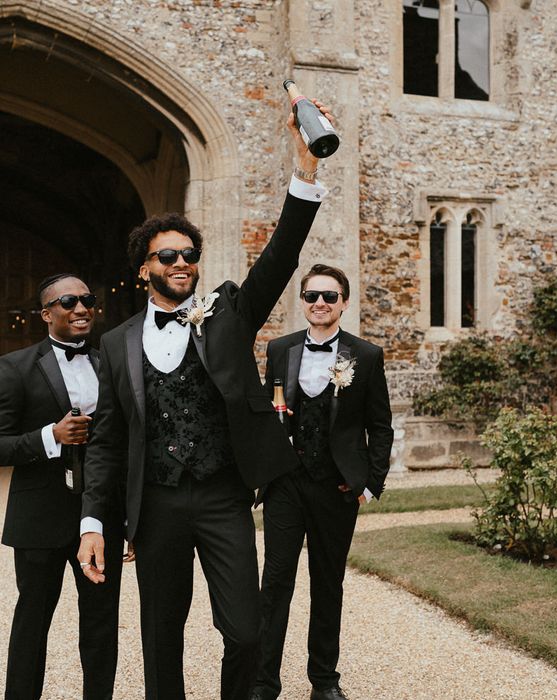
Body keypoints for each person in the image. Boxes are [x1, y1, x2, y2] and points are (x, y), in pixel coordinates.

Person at [77, 102, 330, 700]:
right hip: (156, 504)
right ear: (145, 270)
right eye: (168, 256)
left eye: (189, 255)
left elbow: (281, 257)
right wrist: (93, 521)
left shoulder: (227, 315)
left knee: (245, 632)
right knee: (162, 639)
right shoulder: (114, 346)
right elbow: (108, 440)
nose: (182, 264)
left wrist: (305, 166)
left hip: (222, 496)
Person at [251, 264, 394, 700]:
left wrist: (369, 482)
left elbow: (380, 425)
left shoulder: (365, 356)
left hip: (336, 487)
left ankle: (324, 682)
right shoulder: (280, 349)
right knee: (275, 584)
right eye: (312, 295)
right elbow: (266, 411)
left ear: (344, 303)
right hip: (286, 485)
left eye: (329, 297)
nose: (320, 303)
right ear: (303, 301)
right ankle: (263, 683)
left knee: (328, 583)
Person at [0, 274, 125, 700]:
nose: (80, 308)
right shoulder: (15, 367)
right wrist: (50, 436)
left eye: (87, 300)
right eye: (68, 301)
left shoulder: (111, 362)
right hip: (39, 516)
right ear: (46, 314)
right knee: (32, 622)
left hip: (101, 514)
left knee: (101, 623)